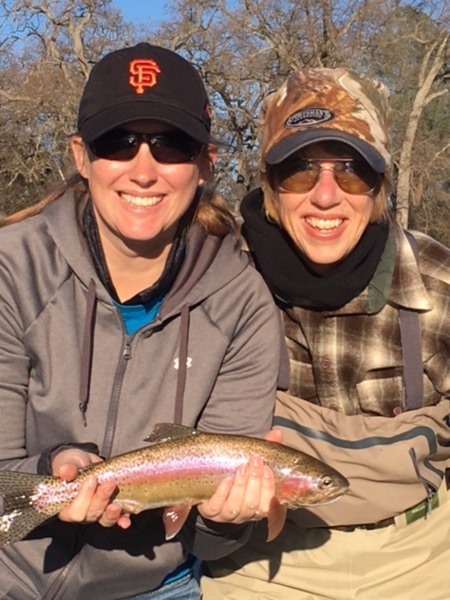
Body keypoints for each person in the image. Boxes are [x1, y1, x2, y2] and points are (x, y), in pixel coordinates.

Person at [0, 43, 285, 600]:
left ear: (205, 165)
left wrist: (228, 519)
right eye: (118, 142)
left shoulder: (242, 303)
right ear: (82, 157)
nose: (145, 170)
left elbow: (213, 546)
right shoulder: (12, 267)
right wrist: (53, 465)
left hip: (156, 586)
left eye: (172, 144)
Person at [201, 67, 450, 599]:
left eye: (353, 172)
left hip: (424, 550)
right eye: (299, 171)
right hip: (263, 559)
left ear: (380, 187)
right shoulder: (212, 279)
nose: (326, 195)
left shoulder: (439, 280)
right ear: (268, 185)